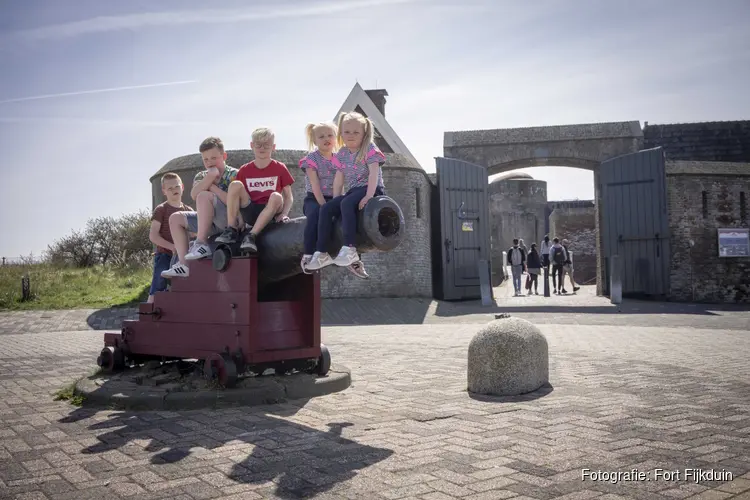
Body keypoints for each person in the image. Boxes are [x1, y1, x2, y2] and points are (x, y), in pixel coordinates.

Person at [306, 111, 386, 271]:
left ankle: (350, 248)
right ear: (341, 133)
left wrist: (369, 195)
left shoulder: (369, 148)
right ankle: (321, 251)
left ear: (364, 134)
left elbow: (373, 174)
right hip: (354, 190)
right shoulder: (342, 153)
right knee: (327, 208)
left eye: (356, 132)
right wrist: (336, 201)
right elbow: (339, 178)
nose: (351, 135)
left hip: (371, 188)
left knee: (347, 202)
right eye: (347, 132)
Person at [298, 122, 369, 279]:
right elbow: (315, 185)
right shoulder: (311, 159)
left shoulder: (340, 157)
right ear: (314, 141)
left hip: (335, 197)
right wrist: (324, 206)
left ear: (336, 138)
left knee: (349, 219)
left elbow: (341, 180)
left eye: (330, 135)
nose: (326, 139)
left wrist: (336, 204)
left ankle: (354, 259)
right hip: (315, 199)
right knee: (314, 216)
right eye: (321, 136)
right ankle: (309, 253)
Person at [162, 137, 239, 278]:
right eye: (205, 160)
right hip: (208, 221)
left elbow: (231, 202)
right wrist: (209, 178)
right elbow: (193, 195)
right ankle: (184, 264)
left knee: (204, 195)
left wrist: (212, 187)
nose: (209, 163)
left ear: (224, 156)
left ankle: (201, 242)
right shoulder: (202, 175)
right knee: (175, 218)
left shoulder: (234, 174)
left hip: (228, 219)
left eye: (214, 158)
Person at [215, 127, 294, 252]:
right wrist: (240, 220)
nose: (262, 148)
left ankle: (252, 236)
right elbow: (237, 197)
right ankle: (231, 229)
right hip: (251, 209)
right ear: (252, 145)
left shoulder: (280, 168)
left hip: (271, 210)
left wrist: (284, 213)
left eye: (266, 145)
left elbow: (288, 196)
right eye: (258, 145)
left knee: (276, 196)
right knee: (235, 185)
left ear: (273, 147)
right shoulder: (244, 170)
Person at [147, 172, 193, 300]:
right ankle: (149, 310)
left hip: (183, 256)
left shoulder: (188, 211)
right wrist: (172, 247)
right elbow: (153, 236)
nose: (174, 190)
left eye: (177, 186)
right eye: (170, 188)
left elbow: (193, 233)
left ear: (182, 187)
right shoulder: (161, 209)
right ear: (164, 191)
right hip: (165, 254)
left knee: (181, 286)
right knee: (159, 283)